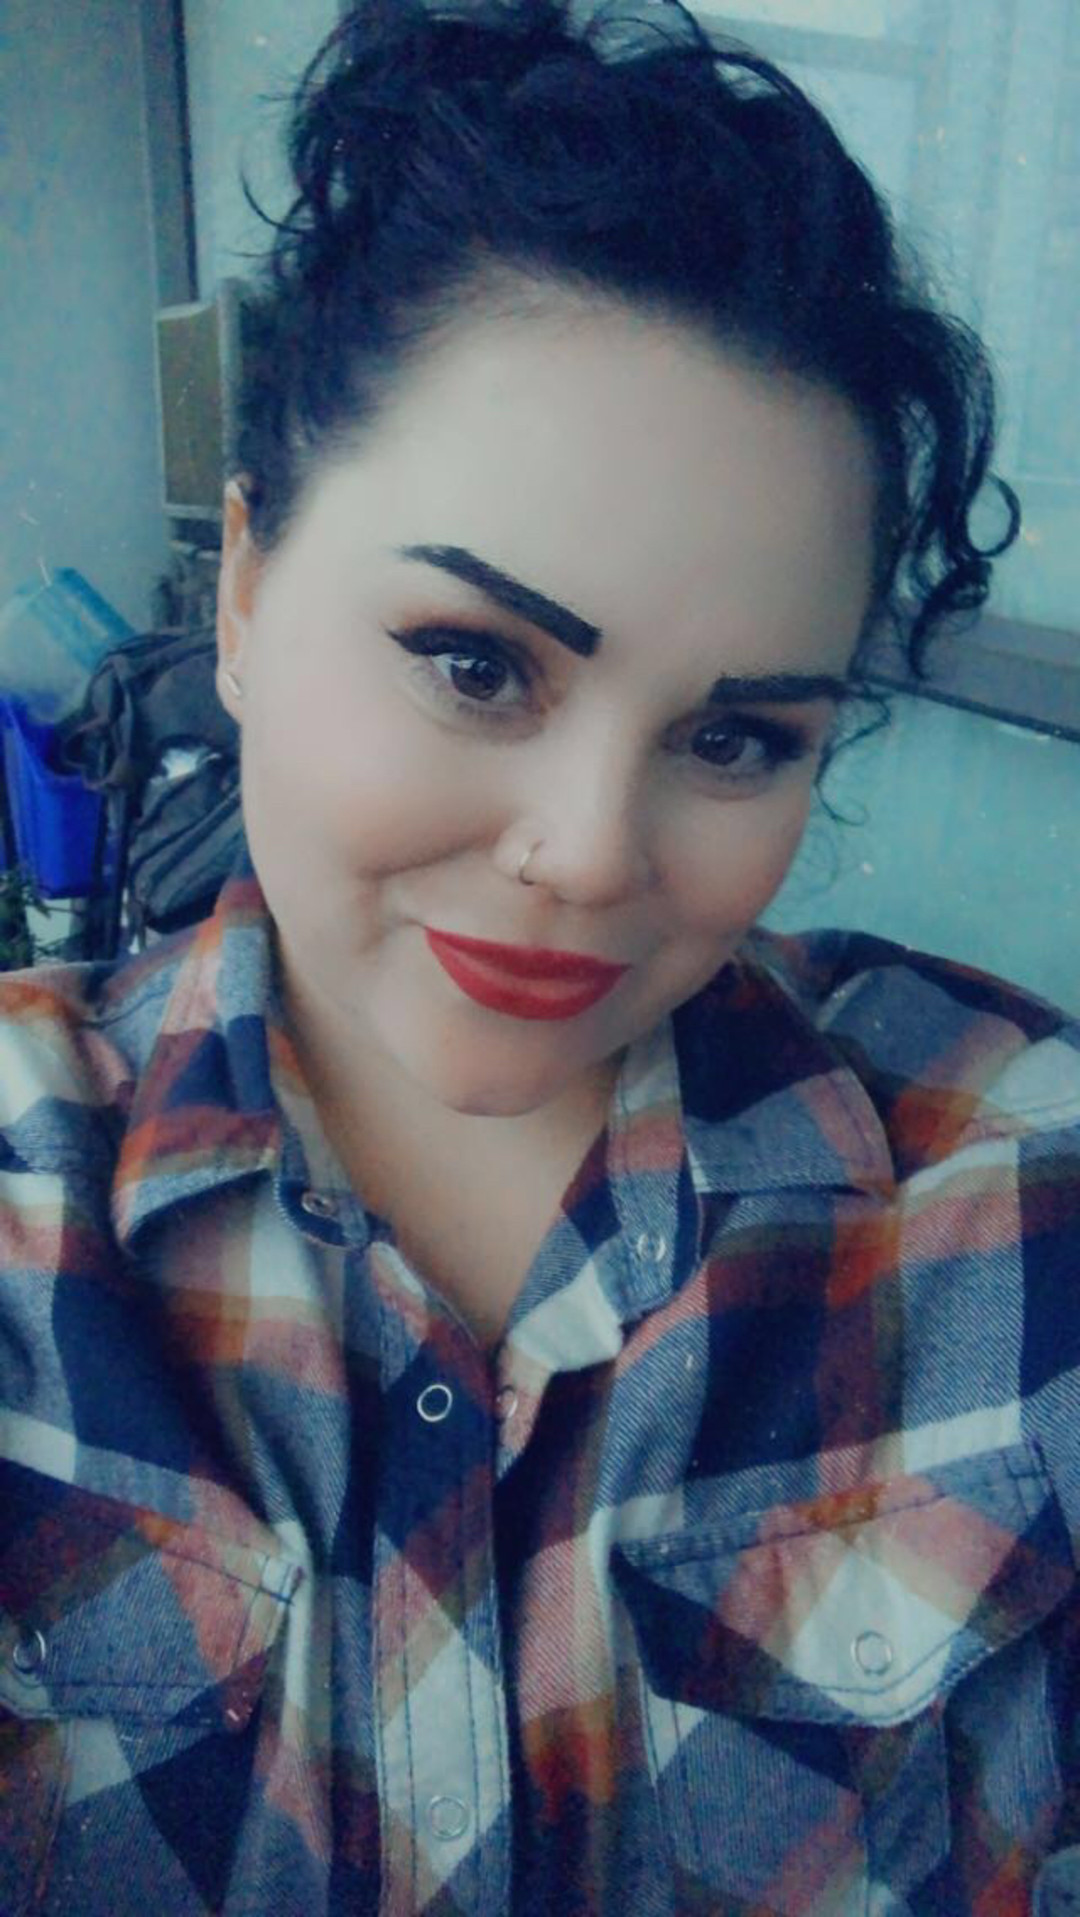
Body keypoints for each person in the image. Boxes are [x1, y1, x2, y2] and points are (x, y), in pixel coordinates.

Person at [1, 2, 1078, 1912]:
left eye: (736, 736)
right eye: (474, 662)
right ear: (242, 593)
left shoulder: (1015, 1192)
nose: (587, 853)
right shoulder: (30, 1210)